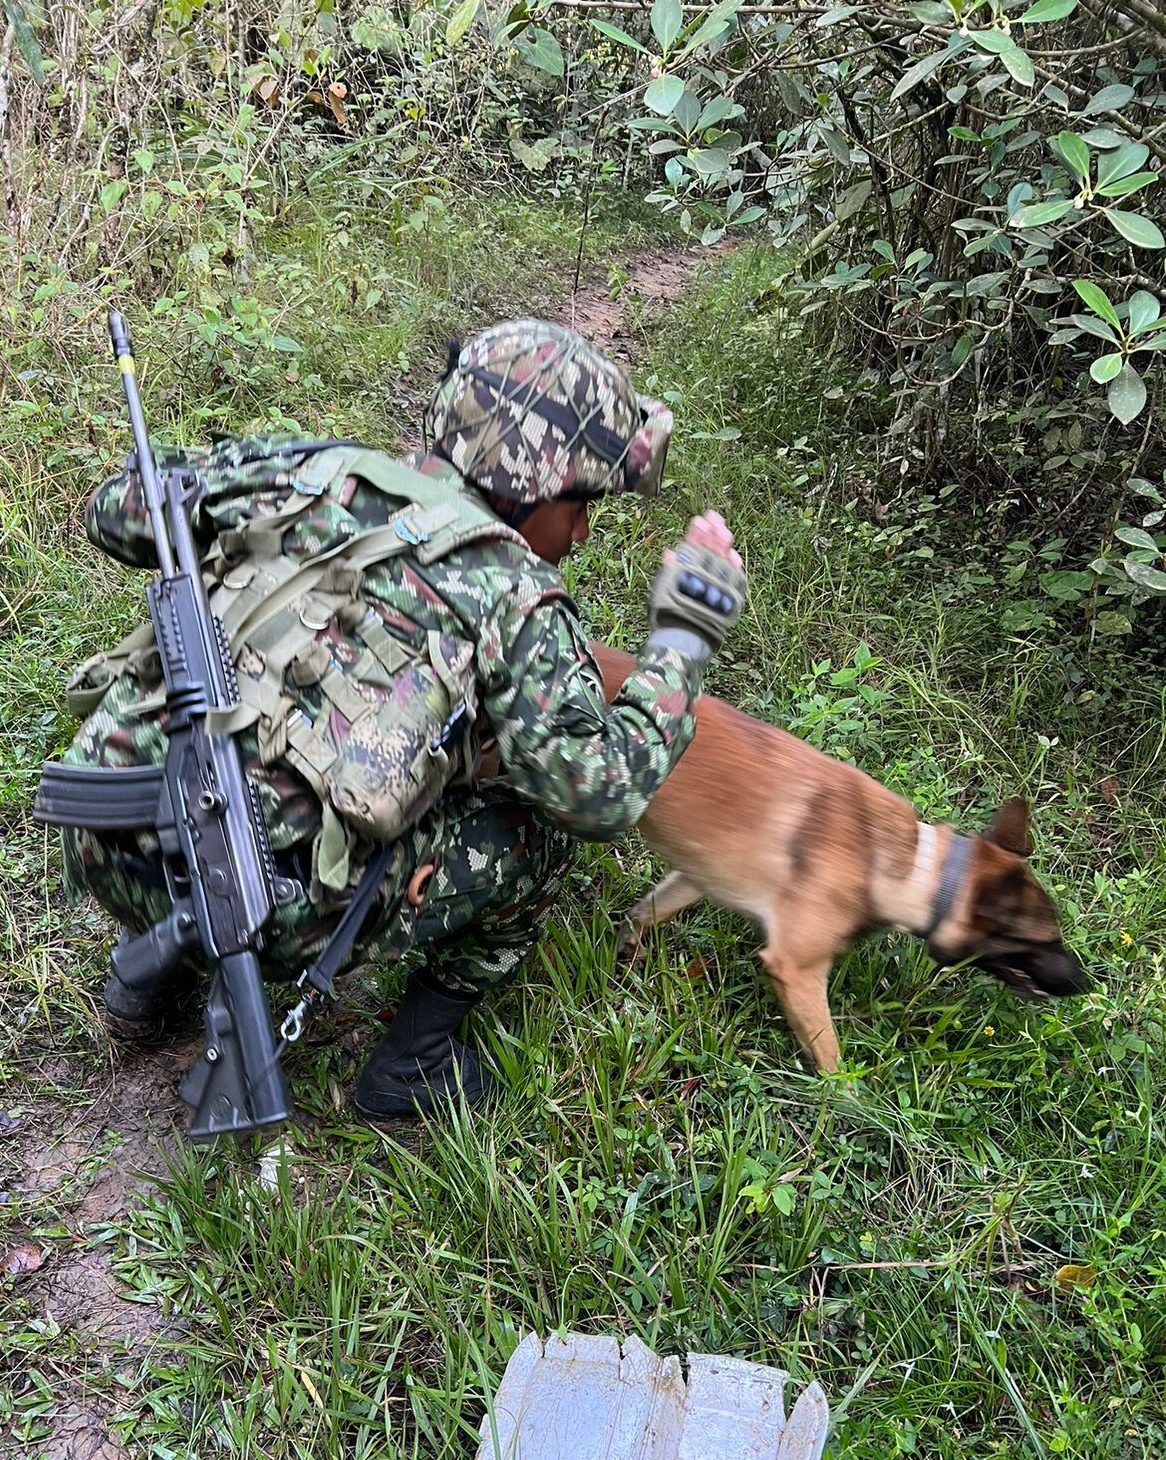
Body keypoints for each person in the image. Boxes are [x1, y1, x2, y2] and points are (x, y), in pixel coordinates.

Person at [58, 319, 745, 1118]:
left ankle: (141, 977)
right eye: (582, 502)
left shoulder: (311, 470)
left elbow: (116, 513)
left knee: (233, 768)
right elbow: (599, 794)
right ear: (532, 488)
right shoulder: (515, 597)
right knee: (541, 834)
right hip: (269, 913)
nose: (584, 529)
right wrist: (681, 642)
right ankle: (412, 1064)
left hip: (105, 825)